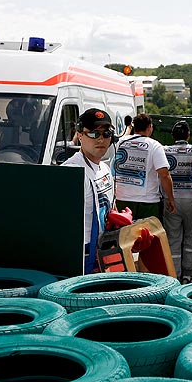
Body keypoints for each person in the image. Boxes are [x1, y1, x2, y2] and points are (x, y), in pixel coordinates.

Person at [62, 108, 115, 274]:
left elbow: (111, 207)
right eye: (93, 134)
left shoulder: (105, 169)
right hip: (81, 257)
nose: (100, 139)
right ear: (79, 135)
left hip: (103, 251)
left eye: (106, 133)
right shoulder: (72, 172)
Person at [162, 120, 192, 283]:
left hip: (171, 200)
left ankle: (174, 275)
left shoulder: (164, 150)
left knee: (173, 238)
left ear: (173, 136)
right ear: (188, 135)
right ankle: (188, 274)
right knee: (190, 238)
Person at [113, 113, 176, 221]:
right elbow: (164, 175)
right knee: (147, 236)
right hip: (147, 203)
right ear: (149, 127)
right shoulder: (155, 146)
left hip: (122, 199)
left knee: (124, 236)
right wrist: (171, 198)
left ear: (134, 127)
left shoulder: (121, 142)